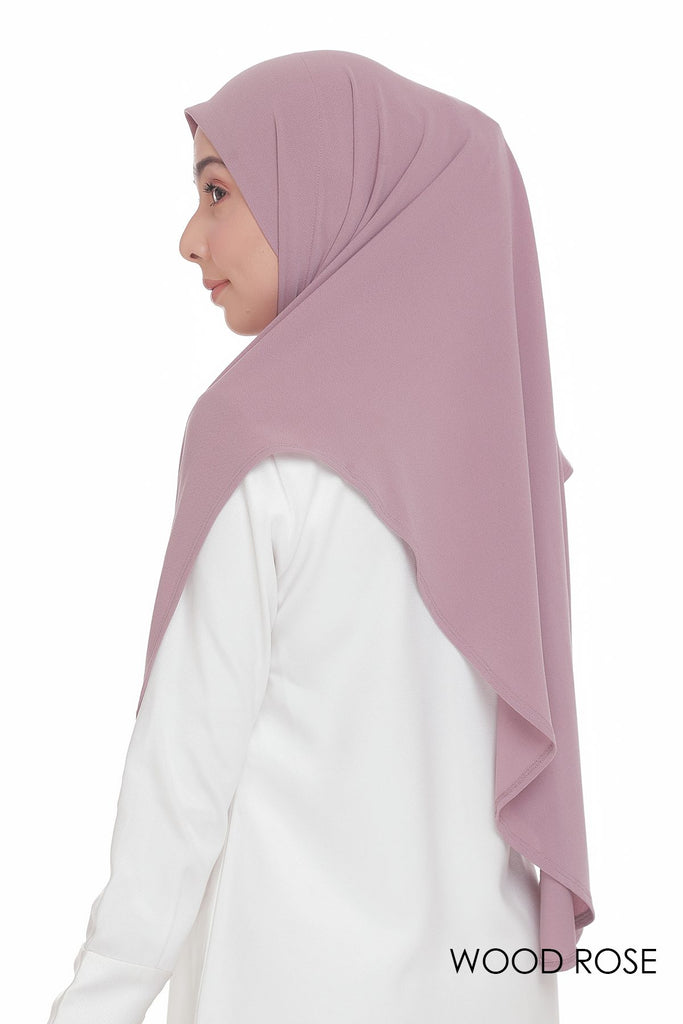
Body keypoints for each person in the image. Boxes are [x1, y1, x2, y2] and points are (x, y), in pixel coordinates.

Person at [46, 50, 593, 1024]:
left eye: (218, 191)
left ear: (325, 184)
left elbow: (182, 784)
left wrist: (92, 1005)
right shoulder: (500, 469)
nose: (190, 238)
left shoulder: (258, 442)